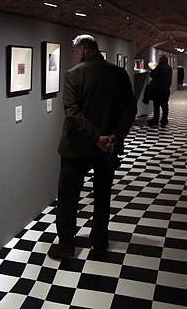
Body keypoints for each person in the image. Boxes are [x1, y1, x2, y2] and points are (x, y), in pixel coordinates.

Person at [48, 34, 137, 259]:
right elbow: (130, 108)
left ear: (83, 49)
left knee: (68, 197)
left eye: (75, 51)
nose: (75, 55)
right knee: (102, 195)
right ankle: (100, 242)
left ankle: (67, 244)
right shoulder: (118, 73)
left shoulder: (73, 75)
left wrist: (96, 137)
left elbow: (73, 114)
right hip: (107, 149)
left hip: (76, 148)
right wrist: (114, 136)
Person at [147, 54, 172, 126]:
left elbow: (152, 75)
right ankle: (164, 119)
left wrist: (151, 70)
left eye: (160, 59)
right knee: (165, 105)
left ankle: (156, 119)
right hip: (166, 88)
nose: (158, 60)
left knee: (156, 104)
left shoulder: (159, 67)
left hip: (158, 88)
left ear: (162, 60)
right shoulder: (169, 68)